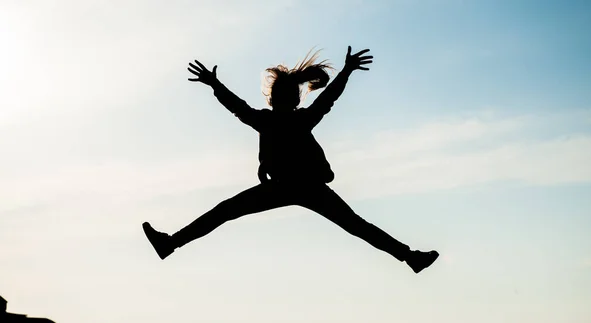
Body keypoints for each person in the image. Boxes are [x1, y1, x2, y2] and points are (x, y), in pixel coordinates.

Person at [142, 46, 439, 274]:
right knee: (357, 226)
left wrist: (214, 85)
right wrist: (346, 71)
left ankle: (171, 243)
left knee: (226, 210)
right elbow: (324, 99)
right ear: (291, 100)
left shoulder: (272, 120)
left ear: (276, 99)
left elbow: (239, 106)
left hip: (295, 187)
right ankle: (410, 257)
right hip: (300, 188)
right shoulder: (295, 119)